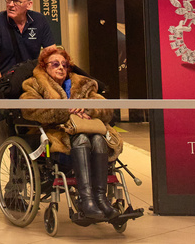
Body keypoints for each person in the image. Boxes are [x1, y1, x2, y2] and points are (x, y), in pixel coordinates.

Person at [20, 45, 122, 222]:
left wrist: (88, 109)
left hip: (89, 130)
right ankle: (86, 200)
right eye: (55, 64)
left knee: (98, 139)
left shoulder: (83, 83)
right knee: (82, 139)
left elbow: (105, 108)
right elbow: (29, 109)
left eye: (64, 65)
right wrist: (65, 111)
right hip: (57, 134)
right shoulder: (34, 84)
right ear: (44, 66)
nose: (61, 67)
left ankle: (100, 198)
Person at [0, 0, 55, 207]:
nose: (11, 4)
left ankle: (14, 190)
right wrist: (1, 87)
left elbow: (51, 54)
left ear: (28, 4)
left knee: (23, 135)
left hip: (24, 84)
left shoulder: (39, 22)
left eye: (16, 1)